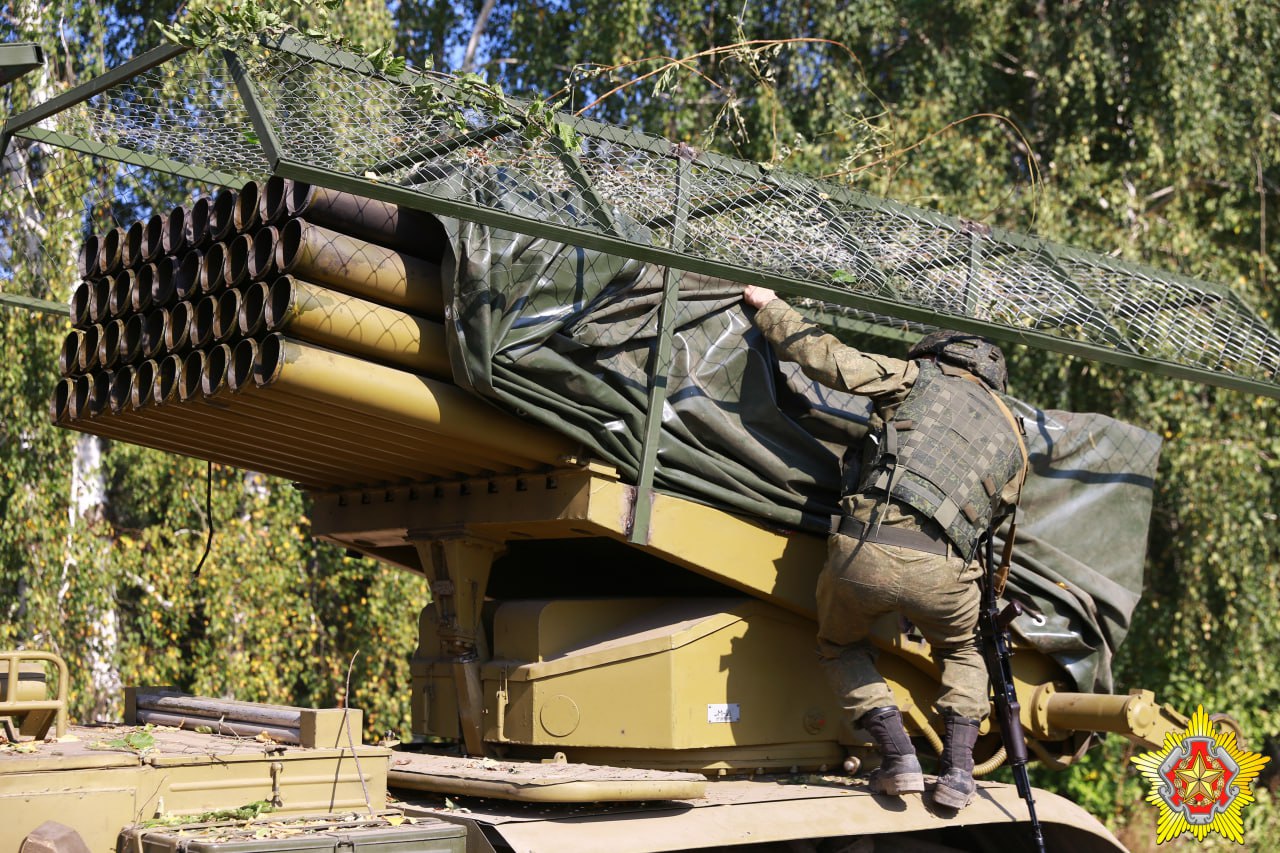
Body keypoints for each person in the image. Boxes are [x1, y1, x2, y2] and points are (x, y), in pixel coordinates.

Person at [742, 285, 1028, 810]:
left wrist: (771, 308)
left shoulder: (916, 378)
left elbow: (832, 363)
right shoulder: (1015, 434)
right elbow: (998, 518)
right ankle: (959, 774)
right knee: (964, 651)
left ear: (939, 355)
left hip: (866, 553)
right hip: (946, 575)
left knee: (841, 646)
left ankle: (898, 759)